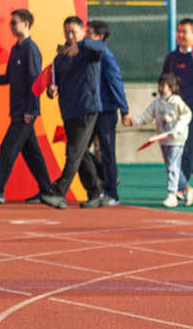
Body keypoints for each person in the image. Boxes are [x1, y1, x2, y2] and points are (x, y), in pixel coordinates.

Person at [0, 9, 54, 204]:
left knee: (7, 148)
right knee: (31, 152)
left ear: (26, 24)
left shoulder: (31, 49)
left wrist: (32, 109)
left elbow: (36, 81)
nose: (11, 26)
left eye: (15, 22)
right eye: (11, 23)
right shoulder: (15, 49)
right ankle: (47, 190)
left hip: (25, 111)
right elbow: (9, 77)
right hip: (18, 109)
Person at [41, 16, 107, 209]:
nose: (70, 36)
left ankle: (59, 193)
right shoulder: (60, 57)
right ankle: (96, 193)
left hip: (87, 109)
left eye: (74, 32)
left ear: (82, 32)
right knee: (80, 153)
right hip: (68, 111)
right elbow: (54, 83)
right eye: (67, 32)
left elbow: (102, 47)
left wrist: (83, 44)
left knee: (73, 152)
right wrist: (51, 91)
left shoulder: (89, 51)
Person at [125, 74, 192, 207]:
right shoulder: (157, 103)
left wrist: (177, 129)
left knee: (173, 166)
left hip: (176, 141)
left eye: (163, 86)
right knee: (171, 167)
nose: (160, 88)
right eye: (159, 86)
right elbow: (146, 116)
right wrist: (133, 121)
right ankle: (187, 189)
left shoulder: (177, 102)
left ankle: (172, 194)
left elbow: (187, 114)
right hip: (163, 141)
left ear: (172, 88)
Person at [84, 20, 128, 207]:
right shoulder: (89, 54)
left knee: (108, 152)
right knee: (80, 151)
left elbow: (116, 83)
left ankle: (112, 194)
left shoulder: (107, 57)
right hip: (91, 110)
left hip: (107, 112)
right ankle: (105, 175)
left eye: (89, 33)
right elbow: (63, 52)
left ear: (100, 38)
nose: (86, 36)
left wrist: (124, 110)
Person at [160, 18, 193, 201]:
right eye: (178, 31)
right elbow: (164, 81)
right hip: (176, 114)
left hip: (191, 112)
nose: (181, 35)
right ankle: (183, 187)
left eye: (185, 32)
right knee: (180, 149)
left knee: (187, 150)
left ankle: (182, 186)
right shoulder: (171, 57)